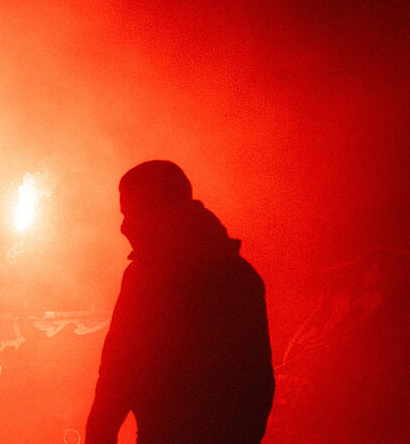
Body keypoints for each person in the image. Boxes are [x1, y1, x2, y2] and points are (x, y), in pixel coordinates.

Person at [86, 161, 274, 444]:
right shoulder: (241, 276)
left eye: (130, 213)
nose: (124, 227)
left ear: (155, 211)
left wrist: (100, 436)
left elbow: (116, 374)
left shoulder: (148, 277)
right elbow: (258, 386)